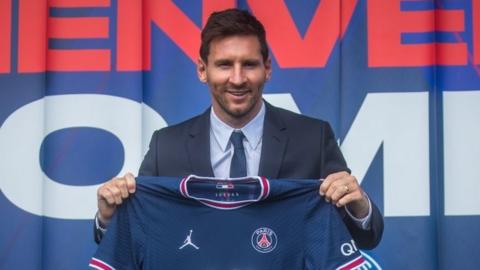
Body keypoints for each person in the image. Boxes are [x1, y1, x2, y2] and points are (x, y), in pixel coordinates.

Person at [94, 8, 383, 249]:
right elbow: (137, 240)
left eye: (249, 64)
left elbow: (366, 237)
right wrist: (108, 218)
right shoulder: (165, 147)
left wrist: (359, 208)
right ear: (202, 70)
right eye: (224, 65)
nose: (237, 78)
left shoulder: (313, 138)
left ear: (267, 68)